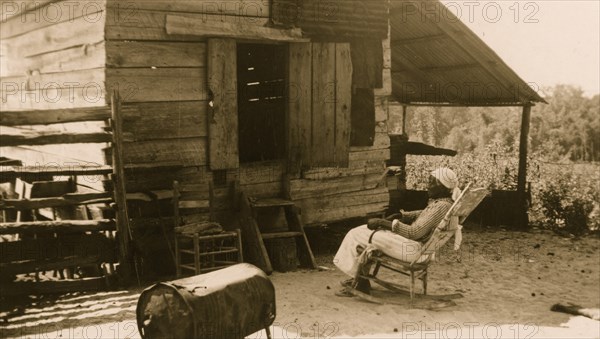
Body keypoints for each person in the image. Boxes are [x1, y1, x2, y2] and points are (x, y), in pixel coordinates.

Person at [333, 167, 460, 296]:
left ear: (443, 187)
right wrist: (402, 216)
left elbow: (414, 232)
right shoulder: (446, 204)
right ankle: (360, 280)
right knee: (363, 231)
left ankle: (360, 282)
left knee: (356, 234)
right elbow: (425, 214)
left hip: (412, 251)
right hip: (421, 251)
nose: (428, 186)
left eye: (431, 182)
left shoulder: (441, 206)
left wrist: (383, 223)